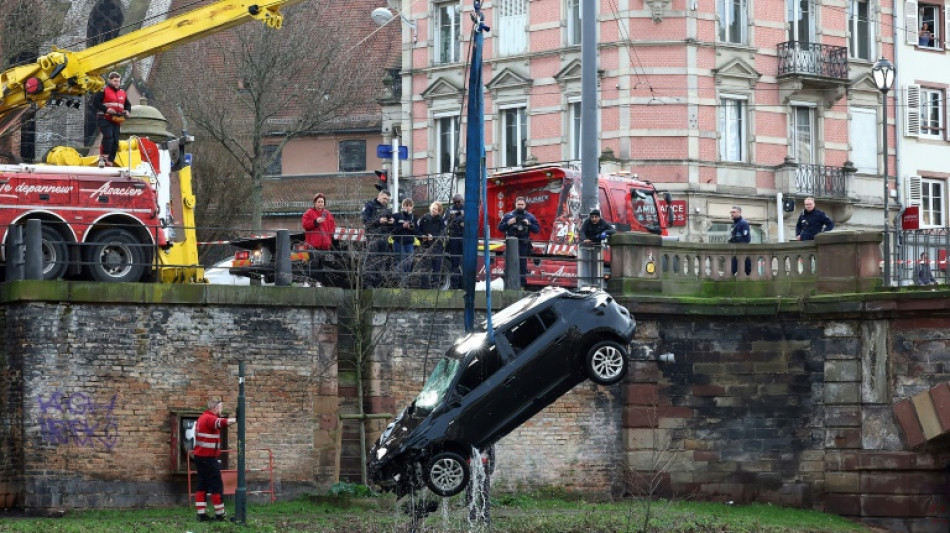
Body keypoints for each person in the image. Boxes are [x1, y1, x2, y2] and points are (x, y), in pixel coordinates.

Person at [193, 398, 236, 522]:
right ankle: (220, 515)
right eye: (221, 407)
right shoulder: (209, 418)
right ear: (215, 408)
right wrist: (236, 420)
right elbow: (220, 423)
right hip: (208, 458)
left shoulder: (202, 418)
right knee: (216, 485)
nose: (221, 410)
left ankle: (201, 514)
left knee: (202, 485)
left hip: (200, 457)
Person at [498, 196, 540, 289]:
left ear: (525, 205)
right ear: (515, 204)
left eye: (522, 204)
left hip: (523, 243)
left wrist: (529, 223)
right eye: (518, 204)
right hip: (511, 243)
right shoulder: (508, 215)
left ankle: (522, 285)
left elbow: (537, 229)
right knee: (509, 264)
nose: (520, 206)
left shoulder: (530, 216)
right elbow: (500, 228)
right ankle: (508, 285)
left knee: (522, 265)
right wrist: (509, 223)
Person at [92, 71, 131, 166]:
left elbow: (127, 104)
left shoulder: (123, 92)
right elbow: (96, 102)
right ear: (110, 81)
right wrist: (106, 109)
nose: (117, 83)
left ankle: (110, 160)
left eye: (118, 81)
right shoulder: (103, 90)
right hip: (104, 118)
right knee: (108, 136)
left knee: (115, 141)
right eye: (115, 81)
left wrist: (127, 111)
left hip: (117, 119)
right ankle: (103, 157)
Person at [362, 189, 394, 288]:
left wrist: (391, 223)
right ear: (379, 196)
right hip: (373, 236)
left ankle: (378, 283)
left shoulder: (387, 209)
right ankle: (369, 283)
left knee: (382, 260)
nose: (386, 201)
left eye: (388, 200)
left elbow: (391, 228)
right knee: (371, 259)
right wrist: (378, 221)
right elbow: (366, 221)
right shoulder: (369, 206)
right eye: (384, 198)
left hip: (384, 237)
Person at [416, 202, 446, 289]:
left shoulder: (441, 220)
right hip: (425, 245)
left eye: (436, 209)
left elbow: (442, 233)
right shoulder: (424, 217)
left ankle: (435, 286)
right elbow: (418, 230)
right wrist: (422, 237)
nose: (433, 210)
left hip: (437, 246)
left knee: (436, 266)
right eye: (433, 208)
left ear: (439, 211)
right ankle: (424, 286)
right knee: (424, 266)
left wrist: (434, 237)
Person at [391, 198, 417, 277]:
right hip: (398, 242)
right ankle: (401, 281)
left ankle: (406, 281)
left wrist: (411, 227)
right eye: (406, 205)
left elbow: (416, 231)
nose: (408, 207)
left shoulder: (413, 217)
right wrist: (403, 226)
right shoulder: (396, 216)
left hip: (409, 242)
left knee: (409, 261)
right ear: (402, 206)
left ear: (412, 207)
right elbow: (393, 230)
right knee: (401, 261)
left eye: (410, 206)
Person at [445, 194, 465, 289]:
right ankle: (454, 286)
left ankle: (466, 284)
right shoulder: (449, 209)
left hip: (465, 237)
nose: (457, 204)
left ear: (462, 200)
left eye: (459, 202)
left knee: (467, 262)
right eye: (455, 202)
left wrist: (456, 220)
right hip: (453, 238)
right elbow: (445, 222)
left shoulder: (467, 208)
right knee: (454, 263)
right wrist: (460, 219)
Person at [728, 206, 752, 275]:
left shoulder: (743, 223)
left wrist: (736, 239)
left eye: (734, 212)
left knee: (747, 271)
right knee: (731, 270)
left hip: (742, 251)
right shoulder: (734, 224)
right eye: (731, 212)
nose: (732, 214)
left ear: (739, 213)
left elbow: (746, 239)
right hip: (735, 251)